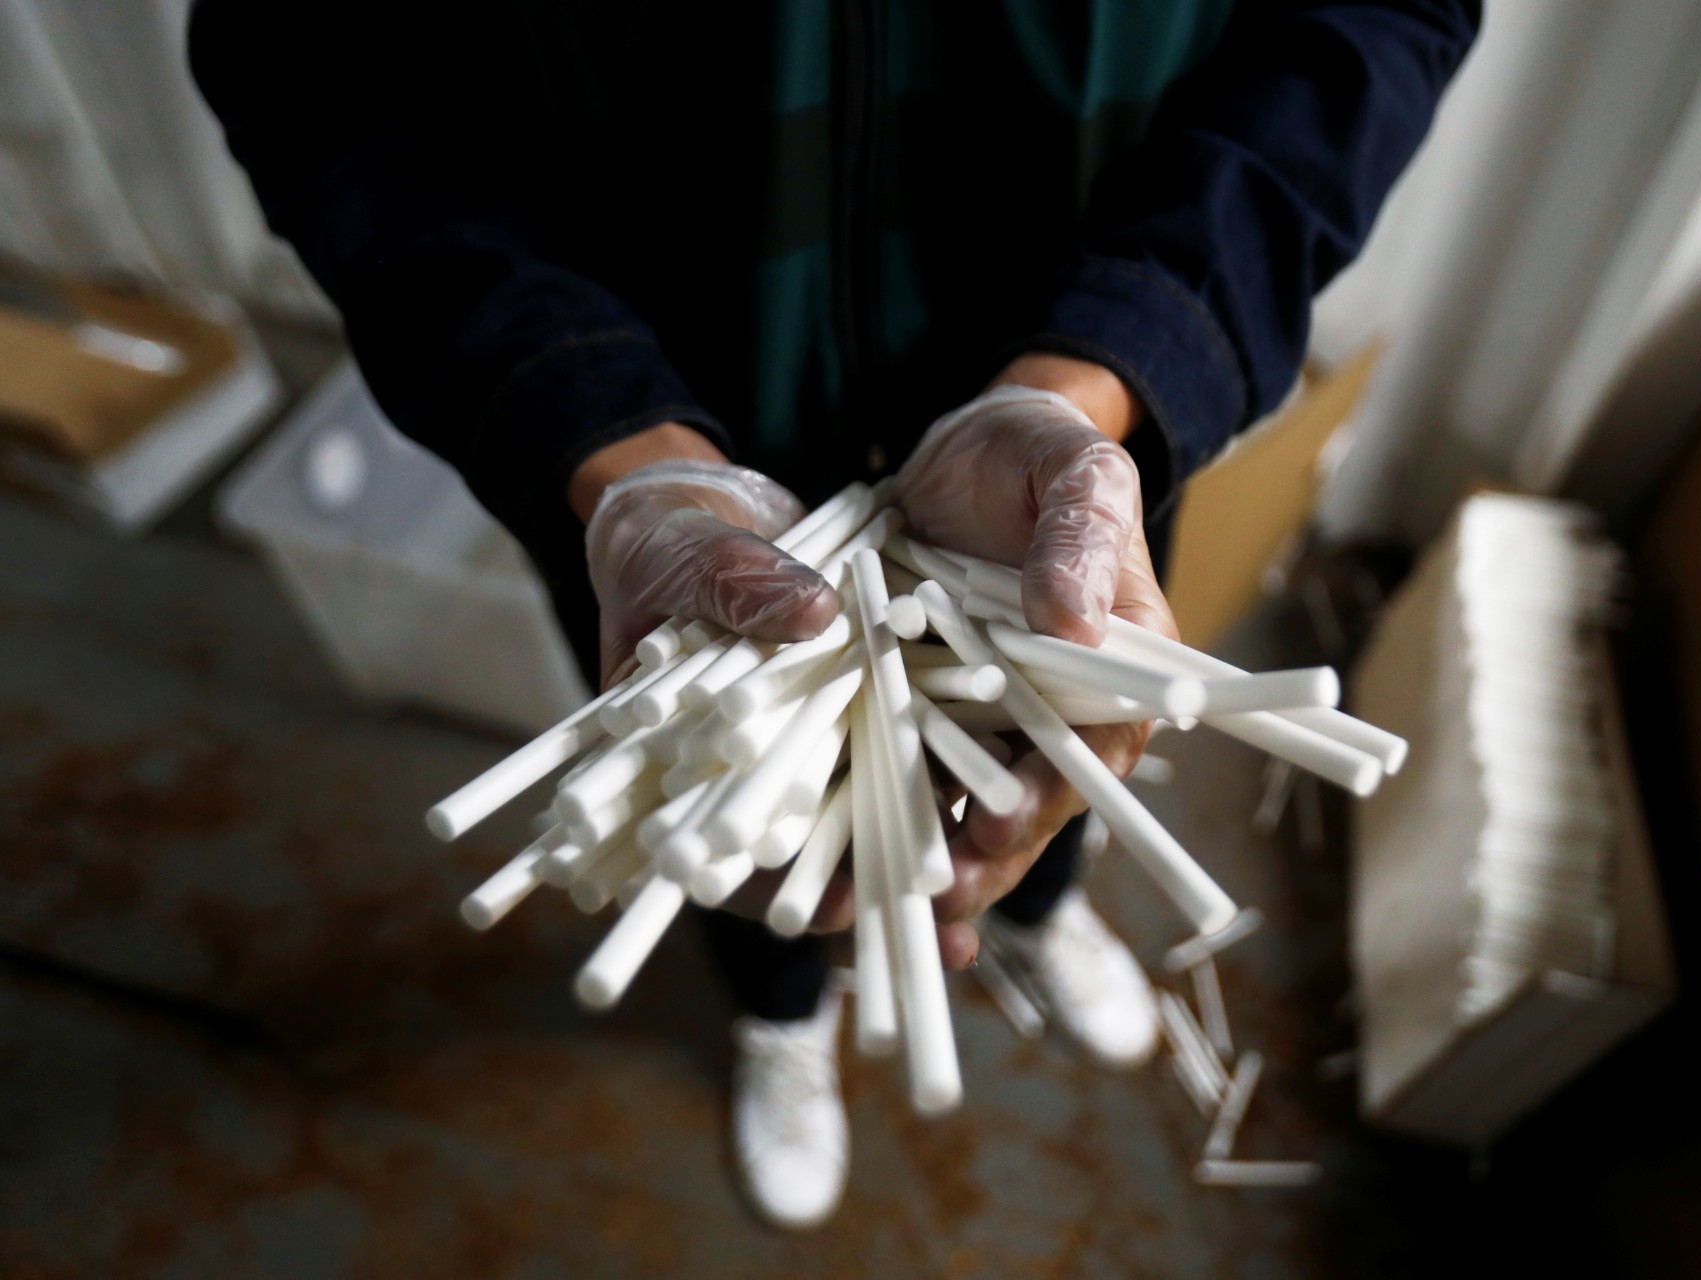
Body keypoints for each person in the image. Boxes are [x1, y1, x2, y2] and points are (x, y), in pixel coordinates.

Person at [191, 0, 1478, 1229]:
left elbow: (1370, 14)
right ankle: (781, 1008)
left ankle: (1036, 915)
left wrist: (1109, 362)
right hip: (652, 418)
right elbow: (308, 63)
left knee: (1052, 730)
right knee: (723, 791)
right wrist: (611, 439)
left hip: (1059, 432)